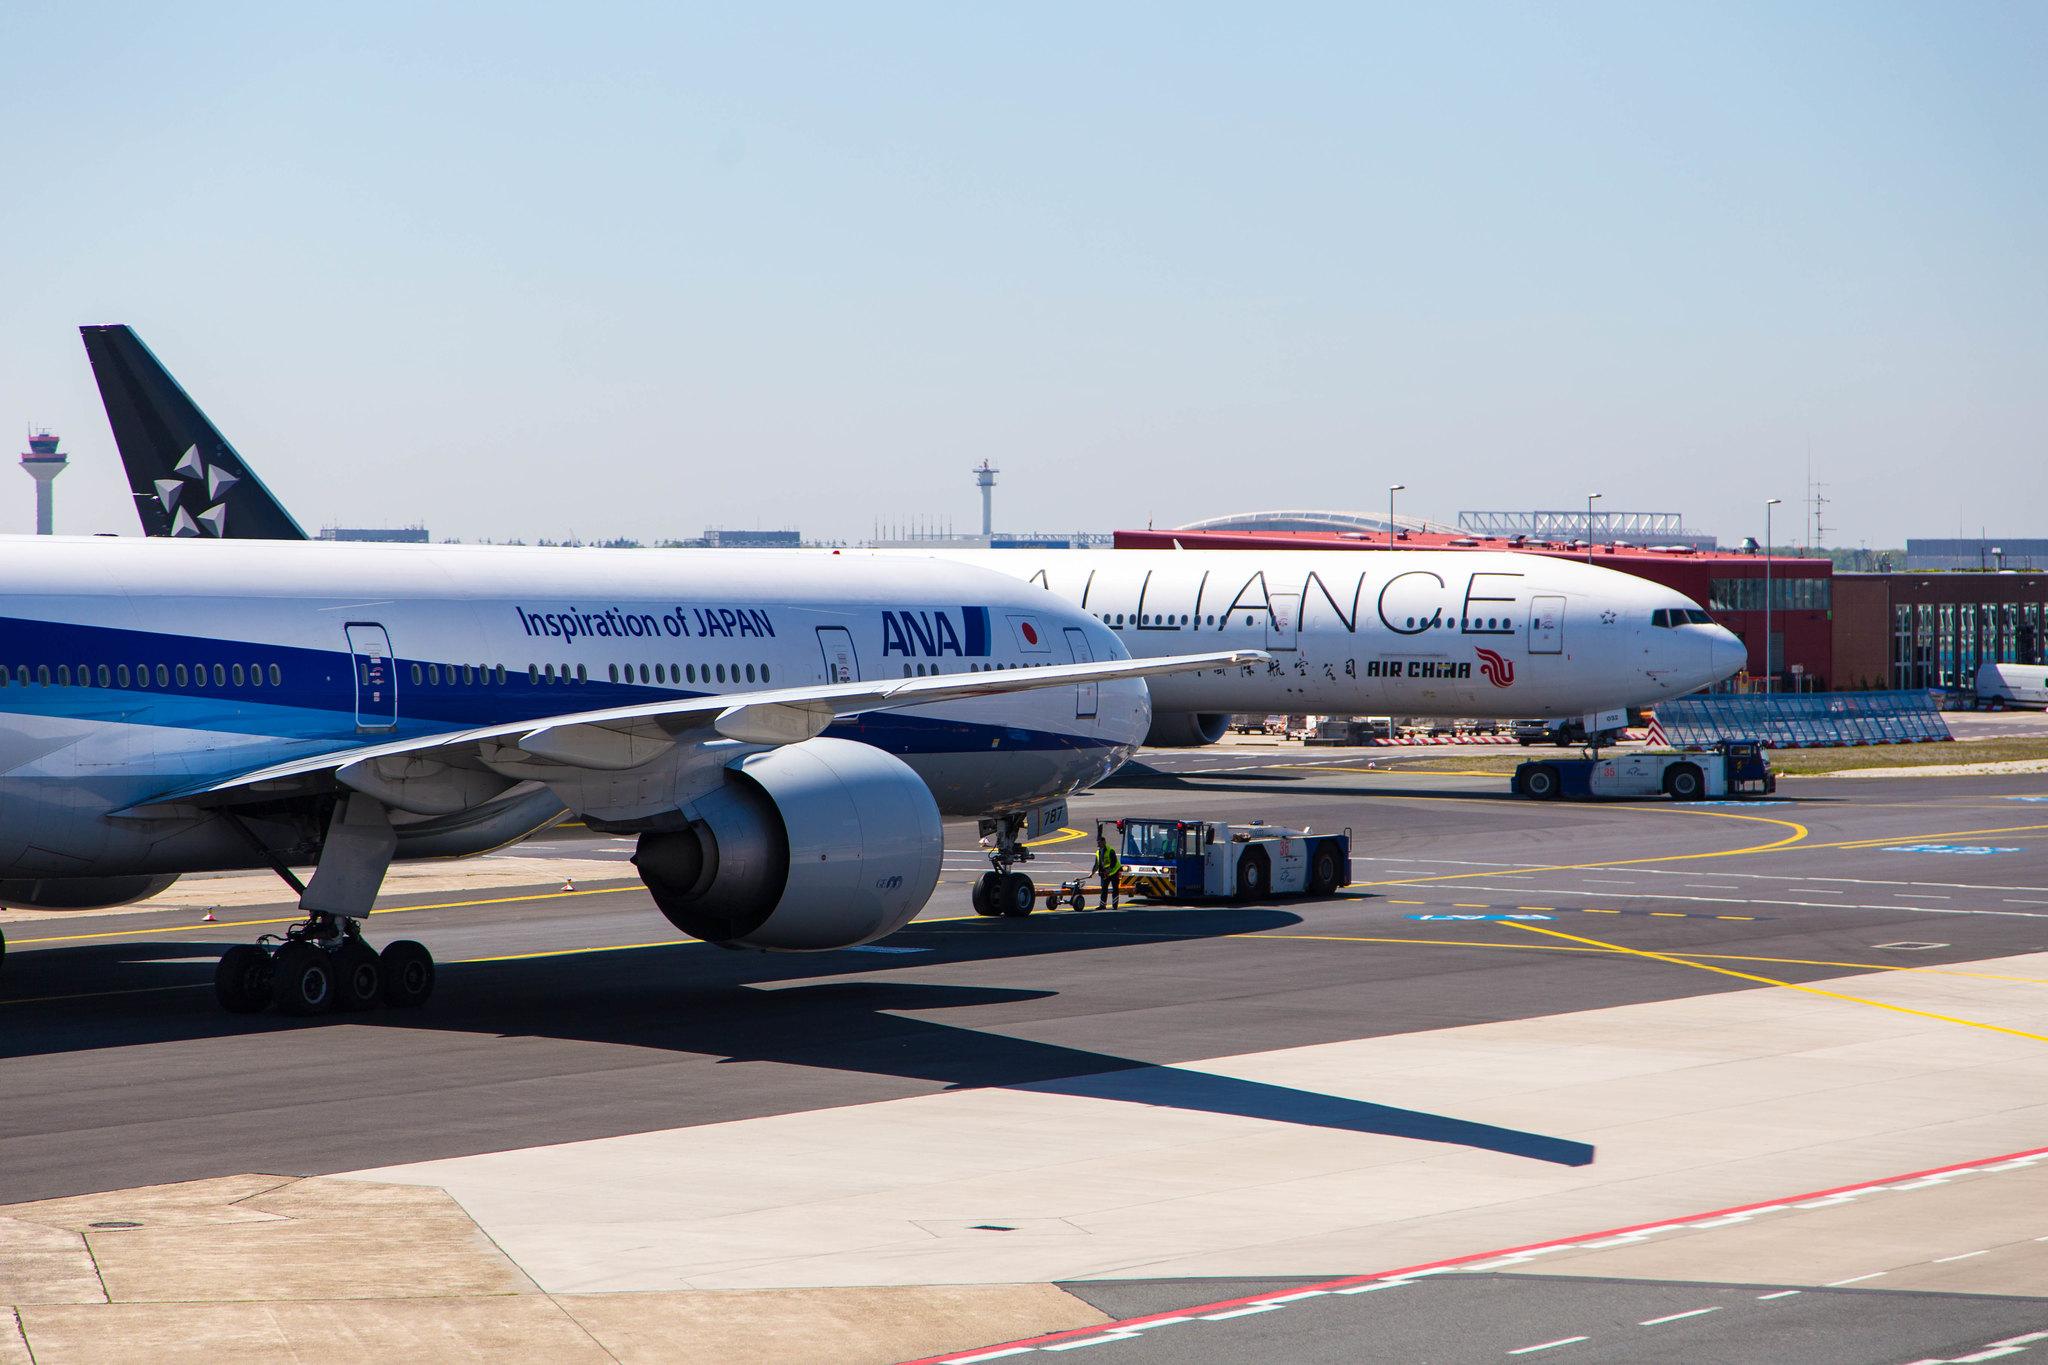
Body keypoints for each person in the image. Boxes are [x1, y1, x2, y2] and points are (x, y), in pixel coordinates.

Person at [1093, 831, 1121, 910]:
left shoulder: (1110, 850)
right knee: (1104, 889)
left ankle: (1115, 905)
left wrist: (1107, 872)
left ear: (1104, 842)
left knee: (1115, 889)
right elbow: (1096, 865)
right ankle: (1102, 905)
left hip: (1114, 871)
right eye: (1097, 842)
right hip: (1106, 873)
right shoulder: (1098, 852)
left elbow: (1113, 863)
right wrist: (1091, 873)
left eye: (1099, 842)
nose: (1098, 844)